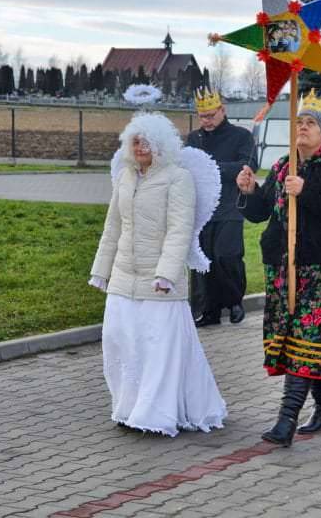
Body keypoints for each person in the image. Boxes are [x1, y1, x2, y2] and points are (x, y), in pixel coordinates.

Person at [89, 111, 227, 436]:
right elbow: (113, 227)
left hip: (160, 281)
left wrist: (166, 274)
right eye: (135, 141)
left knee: (158, 349)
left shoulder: (179, 178)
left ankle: (154, 413)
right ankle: (128, 406)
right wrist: (101, 270)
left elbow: (180, 230)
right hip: (123, 277)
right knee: (120, 342)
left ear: (161, 144)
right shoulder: (124, 175)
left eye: (146, 141)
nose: (140, 147)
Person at [236, 90, 321, 446]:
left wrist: (306, 191)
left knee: (306, 339)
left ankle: (286, 420)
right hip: (283, 265)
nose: (302, 128)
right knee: (300, 339)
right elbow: (260, 212)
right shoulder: (282, 166)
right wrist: (248, 191)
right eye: (298, 123)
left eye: (309, 124)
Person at [186, 87, 257, 327]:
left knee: (227, 255)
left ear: (222, 110)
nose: (206, 121)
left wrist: (211, 167)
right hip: (202, 208)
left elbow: (247, 164)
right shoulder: (193, 138)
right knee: (203, 261)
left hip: (230, 206)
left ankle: (235, 300)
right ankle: (208, 310)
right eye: (201, 116)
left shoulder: (242, 136)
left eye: (210, 115)